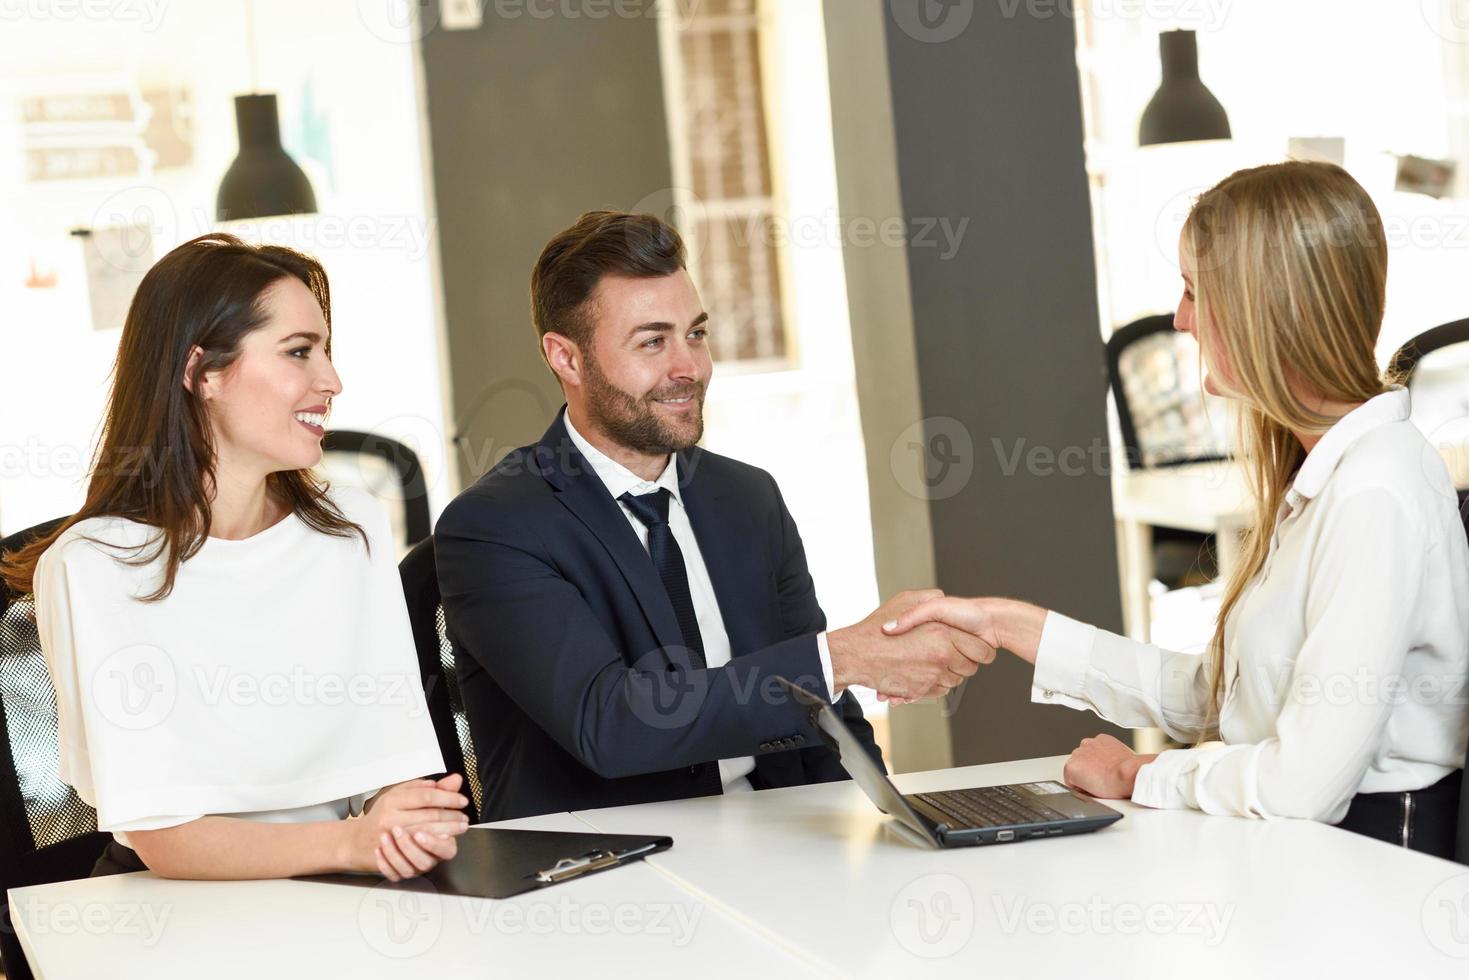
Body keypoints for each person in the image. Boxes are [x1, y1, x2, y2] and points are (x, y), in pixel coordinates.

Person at [884, 160, 1469, 858]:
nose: (1179, 319)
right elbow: (1220, 698)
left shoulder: (1373, 494)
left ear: (1266, 305)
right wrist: (1010, 624)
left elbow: (1300, 787)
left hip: (1375, 864)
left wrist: (1140, 772)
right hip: (1315, 853)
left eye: (1195, 291)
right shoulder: (1328, 473)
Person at [435, 211, 991, 821]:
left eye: (695, 334)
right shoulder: (494, 526)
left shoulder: (748, 498)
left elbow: (832, 722)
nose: (690, 368)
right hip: (611, 874)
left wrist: (885, 825)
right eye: (652, 342)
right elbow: (611, 723)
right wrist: (841, 658)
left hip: (779, 845)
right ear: (565, 358)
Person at [0, 234, 468, 881]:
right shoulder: (92, 569)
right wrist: (352, 845)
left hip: (346, 890)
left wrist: (402, 815)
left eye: (325, 351)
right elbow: (167, 841)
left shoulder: (351, 529)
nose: (331, 380)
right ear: (202, 374)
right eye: (299, 352)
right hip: (174, 909)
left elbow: (386, 769)